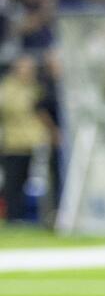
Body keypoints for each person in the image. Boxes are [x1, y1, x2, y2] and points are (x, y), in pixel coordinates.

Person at [0, 55, 49, 223]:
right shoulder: (8, 88)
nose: (28, 72)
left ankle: (26, 216)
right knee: (13, 181)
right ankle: (13, 216)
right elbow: (11, 109)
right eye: (25, 68)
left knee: (29, 182)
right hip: (13, 143)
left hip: (33, 142)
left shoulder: (35, 87)